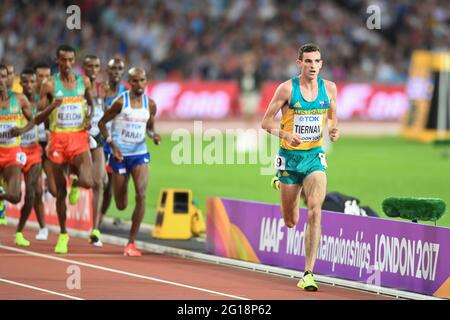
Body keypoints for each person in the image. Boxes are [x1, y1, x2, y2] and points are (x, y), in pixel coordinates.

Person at [261, 43, 339, 291]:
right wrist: (285, 134)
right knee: (291, 220)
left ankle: (308, 273)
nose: (313, 66)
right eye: (308, 61)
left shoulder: (329, 88)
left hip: (315, 156)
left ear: (321, 64)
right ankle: (280, 181)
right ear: (299, 63)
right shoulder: (286, 89)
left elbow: (332, 115)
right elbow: (265, 123)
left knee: (315, 210)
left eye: (317, 61)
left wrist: (333, 129)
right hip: (290, 159)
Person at [38, 44, 95, 254]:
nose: (68, 64)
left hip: (79, 137)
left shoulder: (84, 82)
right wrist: (52, 107)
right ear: (57, 61)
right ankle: (63, 234)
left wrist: (89, 118)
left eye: (71, 60)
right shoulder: (49, 84)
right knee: (59, 192)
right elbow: (39, 115)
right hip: (58, 139)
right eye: (63, 60)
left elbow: (92, 104)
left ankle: (76, 183)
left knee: (89, 181)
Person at [98, 67, 160, 257]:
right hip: (119, 155)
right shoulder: (120, 102)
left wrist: (153, 135)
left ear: (145, 82)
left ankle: (131, 243)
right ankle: (127, 234)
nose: (139, 84)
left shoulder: (150, 104)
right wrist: (112, 145)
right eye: (135, 81)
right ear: (129, 83)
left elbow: (149, 127)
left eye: (142, 80)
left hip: (139, 153)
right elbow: (101, 124)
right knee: (121, 204)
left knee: (141, 194)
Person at [11, 68, 47, 246]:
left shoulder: (41, 103)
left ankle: (19, 231)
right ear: (20, 83)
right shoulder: (14, 101)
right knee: (15, 194)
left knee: (32, 194)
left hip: (33, 152)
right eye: (25, 82)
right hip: (15, 151)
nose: (29, 85)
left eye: (32, 81)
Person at [0, 64, 29, 225]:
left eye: (3, 76)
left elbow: (33, 121)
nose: (0, 80)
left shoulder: (19, 99)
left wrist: (22, 129)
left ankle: (2, 196)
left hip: (12, 152)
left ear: (8, 78)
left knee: (15, 197)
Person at [82, 55, 106, 247]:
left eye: (96, 65)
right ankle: (75, 181)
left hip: (97, 136)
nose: (93, 69)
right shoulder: (76, 85)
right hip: (76, 136)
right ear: (84, 67)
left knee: (99, 182)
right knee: (86, 180)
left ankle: (95, 229)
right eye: (90, 66)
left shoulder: (102, 87)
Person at [99, 58, 127, 227]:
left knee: (109, 187)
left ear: (122, 72)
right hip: (99, 143)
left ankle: (99, 218)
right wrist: (102, 98)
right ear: (107, 71)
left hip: (117, 146)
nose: (116, 71)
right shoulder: (99, 90)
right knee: (98, 181)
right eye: (113, 68)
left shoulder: (127, 94)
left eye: (119, 68)